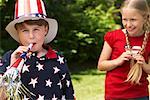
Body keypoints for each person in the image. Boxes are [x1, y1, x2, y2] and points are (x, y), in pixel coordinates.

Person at [0, 0, 75, 100]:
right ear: (18, 33)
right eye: (25, 30)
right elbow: (2, 96)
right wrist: (13, 67)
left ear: (46, 30)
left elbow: (69, 95)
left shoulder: (57, 59)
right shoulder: (9, 58)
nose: (31, 36)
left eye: (36, 29)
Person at [97, 0, 150, 100]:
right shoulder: (113, 36)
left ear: (145, 18)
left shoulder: (148, 39)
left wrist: (143, 64)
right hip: (114, 94)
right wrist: (118, 60)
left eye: (133, 20)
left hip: (139, 94)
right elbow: (101, 65)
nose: (128, 24)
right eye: (125, 19)